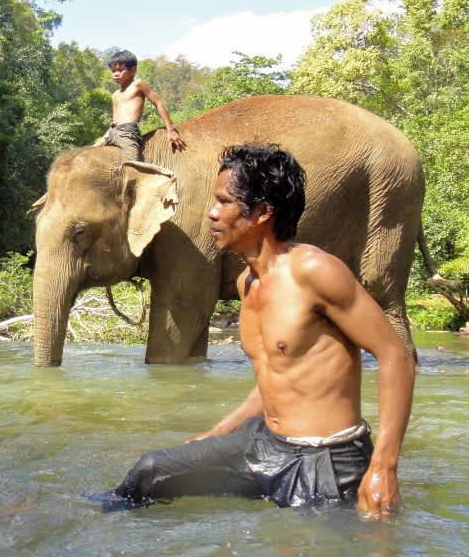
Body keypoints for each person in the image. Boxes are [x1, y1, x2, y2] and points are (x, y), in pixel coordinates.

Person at [105, 144, 415, 520]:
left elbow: (395, 356)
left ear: (263, 212)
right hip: (263, 443)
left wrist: (384, 467)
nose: (212, 213)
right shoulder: (246, 283)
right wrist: (219, 431)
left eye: (224, 202)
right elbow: (274, 375)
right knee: (153, 472)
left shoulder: (316, 272)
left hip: (325, 457)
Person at [92, 50, 185, 159]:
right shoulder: (115, 95)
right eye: (113, 71)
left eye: (121, 70)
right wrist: (102, 140)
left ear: (132, 70)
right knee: (89, 155)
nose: (116, 74)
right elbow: (115, 122)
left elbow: (158, 104)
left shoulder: (137, 84)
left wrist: (170, 130)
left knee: (132, 168)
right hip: (111, 133)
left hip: (127, 134)